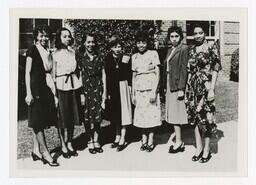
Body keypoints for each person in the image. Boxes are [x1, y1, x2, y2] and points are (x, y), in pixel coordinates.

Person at [186, 24, 221, 163]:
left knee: (207, 119)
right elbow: (190, 70)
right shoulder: (192, 49)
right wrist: (188, 89)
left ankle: (206, 150)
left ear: (205, 33)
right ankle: (198, 148)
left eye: (200, 32)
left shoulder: (211, 47)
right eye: (195, 33)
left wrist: (211, 89)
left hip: (206, 87)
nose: (197, 35)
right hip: (193, 88)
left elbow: (216, 68)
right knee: (194, 118)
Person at [25, 26, 59, 167]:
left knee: (39, 119)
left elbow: (49, 71)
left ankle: (36, 150)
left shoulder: (47, 52)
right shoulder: (33, 50)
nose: (44, 38)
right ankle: (46, 153)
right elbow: (27, 72)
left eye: (46, 36)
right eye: (41, 36)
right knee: (37, 120)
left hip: (45, 87)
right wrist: (28, 92)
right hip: (35, 87)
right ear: (36, 37)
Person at [53, 27, 82, 158]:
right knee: (62, 118)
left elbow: (77, 71)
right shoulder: (54, 54)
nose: (68, 39)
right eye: (64, 36)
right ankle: (63, 145)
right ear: (59, 38)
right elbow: (53, 75)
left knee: (71, 116)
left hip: (73, 85)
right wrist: (54, 95)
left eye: (69, 36)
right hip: (60, 86)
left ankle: (70, 142)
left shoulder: (73, 52)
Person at [76, 33, 106, 154]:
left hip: (97, 87)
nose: (91, 44)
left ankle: (96, 139)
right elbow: (78, 75)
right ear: (84, 43)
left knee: (98, 116)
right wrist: (81, 93)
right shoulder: (80, 57)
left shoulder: (100, 56)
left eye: (93, 42)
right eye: (88, 42)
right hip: (85, 88)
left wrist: (104, 92)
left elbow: (103, 74)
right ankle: (89, 140)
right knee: (87, 117)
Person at [131, 31, 161, 152]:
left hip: (150, 88)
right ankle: (143, 139)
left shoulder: (153, 54)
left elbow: (158, 72)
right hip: (139, 89)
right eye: (139, 43)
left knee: (151, 114)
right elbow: (133, 75)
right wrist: (133, 93)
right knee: (141, 115)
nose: (141, 45)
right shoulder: (134, 56)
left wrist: (154, 90)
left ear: (147, 43)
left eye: (143, 42)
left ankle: (151, 140)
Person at [104, 35, 132, 152]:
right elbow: (106, 75)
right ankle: (117, 136)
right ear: (111, 48)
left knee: (124, 112)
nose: (117, 49)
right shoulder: (108, 58)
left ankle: (123, 137)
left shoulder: (125, 58)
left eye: (119, 46)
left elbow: (129, 74)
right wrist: (106, 92)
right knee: (116, 114)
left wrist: (130, 87)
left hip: (123, 86)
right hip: (113, 88)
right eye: (115, 47)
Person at [164, 26, 189, 153]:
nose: (174, 39)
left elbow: (184, 69)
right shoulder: (170, 50)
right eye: (172, 36)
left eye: (176, 36)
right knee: (173, 114)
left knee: (176, 114)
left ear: (181, 37)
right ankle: (179, 140)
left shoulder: (184, 49)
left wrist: (181, 88)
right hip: (169, 83)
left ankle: (179, 142)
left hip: (177, 85)